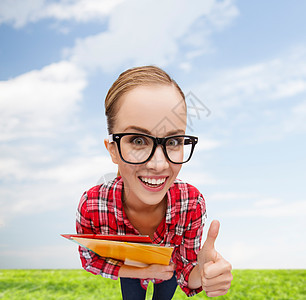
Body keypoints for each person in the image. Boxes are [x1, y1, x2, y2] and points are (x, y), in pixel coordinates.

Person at [76, 66, 233, 299]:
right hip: (130, 270)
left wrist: (203, 273)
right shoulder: (93, 205)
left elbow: (186, 269)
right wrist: (140, 271)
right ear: (113, 150)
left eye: (174, 141)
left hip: (168, 272)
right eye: (138, 140)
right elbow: (90, 260)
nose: (159, 165)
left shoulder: (190, 203)